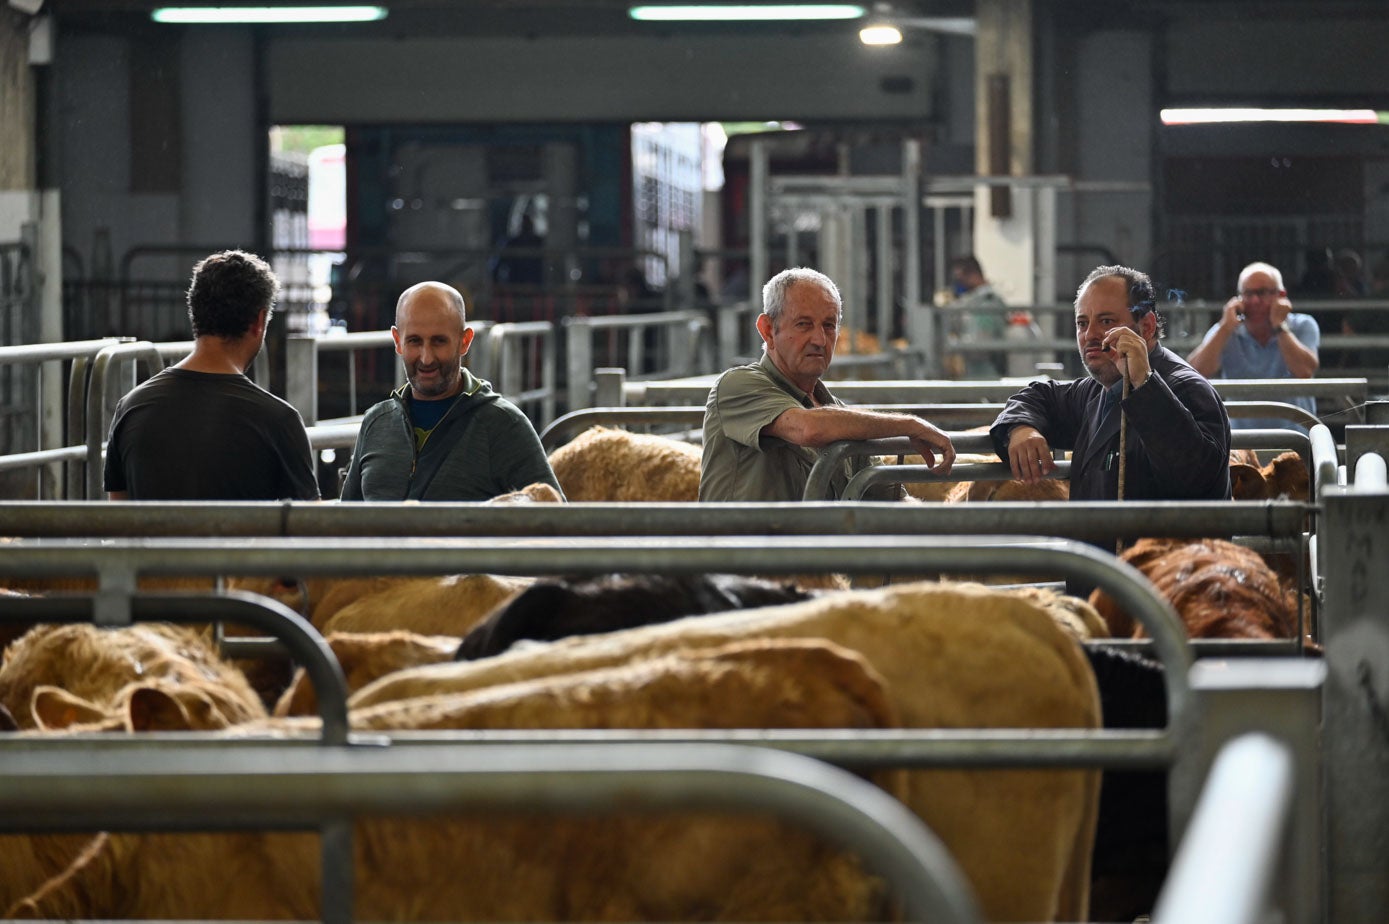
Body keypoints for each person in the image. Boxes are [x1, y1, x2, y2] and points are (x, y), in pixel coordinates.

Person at [700, 267, 955, 502]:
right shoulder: (737, 385)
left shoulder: (838, 414)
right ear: (768, 330)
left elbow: (890, 497)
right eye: (803, 324)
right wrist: (908, 425)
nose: (820, 340)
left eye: (829, 325)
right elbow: (807, 429)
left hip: (814, 551)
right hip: (743, 551)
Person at [990, 264, 1231, 503]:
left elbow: (1197, 479)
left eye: (1106, 321)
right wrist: (1021, 428)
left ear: (1146, 327)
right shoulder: (1098, 390)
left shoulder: (1187, 389)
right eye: (1082, 323)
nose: (1090, 335)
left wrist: (1145, 384)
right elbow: (1038, 396)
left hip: (1165, 543)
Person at [104, 250, 319, 501]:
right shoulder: (279, 420)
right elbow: (309, 527)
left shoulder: (131, 407)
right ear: (259, 321)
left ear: (194, 313)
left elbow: (117, 522)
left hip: (150, 543)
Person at [340, 281, 563, 501]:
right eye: (415, 341)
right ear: (398, 341)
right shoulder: (376, 423)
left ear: (464, 341)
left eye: (439, 341)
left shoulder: (503, 426)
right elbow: (345, 524)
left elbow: (554, 517)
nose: (426, 358)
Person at [1186, 261, 1320, 431]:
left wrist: (1279, 326)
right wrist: (1225, 327)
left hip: (1296, 441)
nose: (1255, 301)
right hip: (1242, 443)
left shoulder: (1303, 325)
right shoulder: (1227, 330)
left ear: (1281, 295)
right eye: (1248, 294)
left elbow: (1304, 371)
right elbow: (1195, 372)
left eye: (1263, 292)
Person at [944, 255, 1008, 378]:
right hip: (971, 367)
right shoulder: (970, 301)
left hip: (987, 367)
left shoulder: (988, 301)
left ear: (973, 275)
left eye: (961, 279)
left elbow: (980, 341)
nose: (959, 284)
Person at [490, 213, 545, 286]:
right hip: (516, 288)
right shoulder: (512, 243)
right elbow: (496, 267)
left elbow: (496, 267)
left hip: (534, 288)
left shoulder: (538, 243)